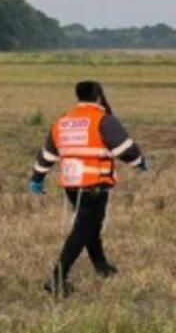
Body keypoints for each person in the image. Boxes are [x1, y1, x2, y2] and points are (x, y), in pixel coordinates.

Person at [30, 81, 148, 296]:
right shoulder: (103, 120)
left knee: (90, 226)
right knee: (83, 230)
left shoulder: (63, 122)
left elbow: (47, 155)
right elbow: (125, 149)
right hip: (95, 184)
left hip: (72, 186)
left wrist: (37, 178)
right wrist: (139, 162)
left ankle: (102, 266)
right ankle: (57, 278)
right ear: (99, 96)